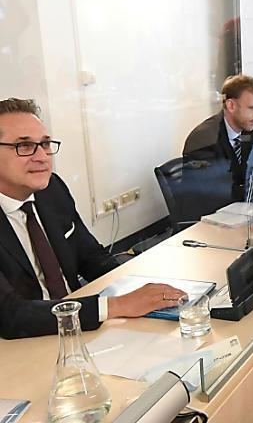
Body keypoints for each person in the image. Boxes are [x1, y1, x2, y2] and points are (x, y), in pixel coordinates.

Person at [0, 98, 186, 339]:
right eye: (24, 146)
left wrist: (139, 286)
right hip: (22, 344)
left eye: (45, 144)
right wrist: (118, 305)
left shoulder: (51, 189)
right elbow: (10, 316)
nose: (42, 157)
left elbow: (92, 257)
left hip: (80, 323)